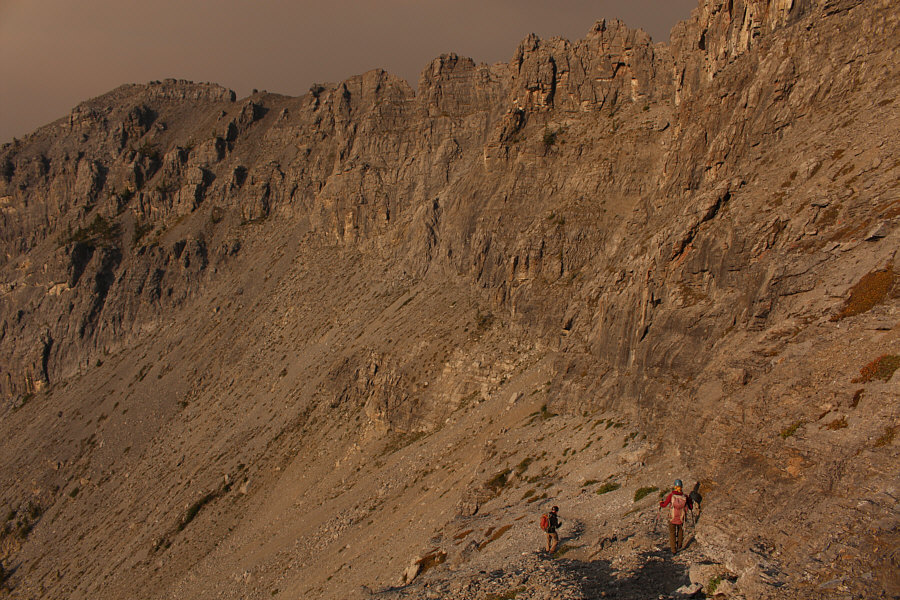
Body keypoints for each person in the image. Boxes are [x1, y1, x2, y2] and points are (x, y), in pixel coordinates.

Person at [659, 480, 693, 554]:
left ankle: (673, 550)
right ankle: (679, 545)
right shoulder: (685, 496)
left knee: (672, 533)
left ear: (675, 486)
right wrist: (690, 501)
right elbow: (690, 507)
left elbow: (664, 505)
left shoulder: (671, 495)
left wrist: (661, 503)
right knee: (680, 531)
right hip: (681, 517)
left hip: (672, 517)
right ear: (681, 487)